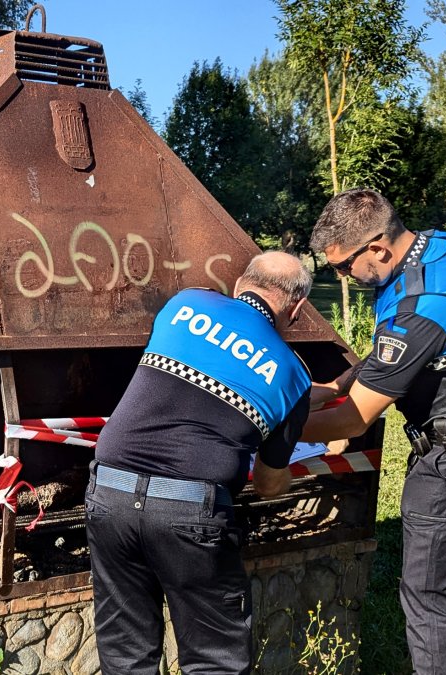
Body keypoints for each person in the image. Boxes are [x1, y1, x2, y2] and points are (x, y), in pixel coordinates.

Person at [301, 188, 446, 675]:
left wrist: (276, 427)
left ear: (378, 249)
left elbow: (354, 419)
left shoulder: (423, 307)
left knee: (429, 592)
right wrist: (339, 383)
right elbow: (399, 353)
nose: (342, 277)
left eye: (344, 266)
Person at [86, 251, 313, 675]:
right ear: (296, 307)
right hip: (190, 512)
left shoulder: (186, 303)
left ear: (240, 284)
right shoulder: (292, 375)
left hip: (110, 495)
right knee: (214, 660)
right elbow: (268, 485)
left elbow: (219, 358)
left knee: (125, 652)